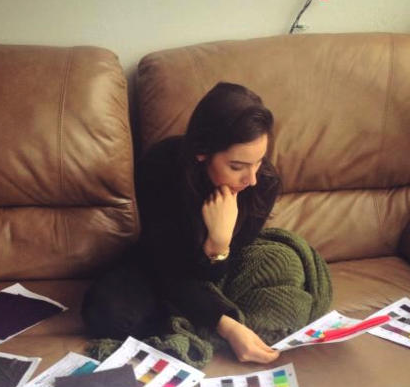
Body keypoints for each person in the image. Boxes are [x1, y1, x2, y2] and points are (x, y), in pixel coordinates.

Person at [83, 82, 283, 364]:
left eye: (259, 161)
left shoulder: (263, 185)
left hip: (215, 274)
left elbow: (215, 277)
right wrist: (226, 326)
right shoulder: (159, 166)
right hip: (159, 267)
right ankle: (192, 319)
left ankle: (185, 317)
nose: (251, 179)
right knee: (106, 312)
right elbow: (164, 268)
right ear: (202, 152)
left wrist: (219, 244)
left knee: (281, 287)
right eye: (237, 167)